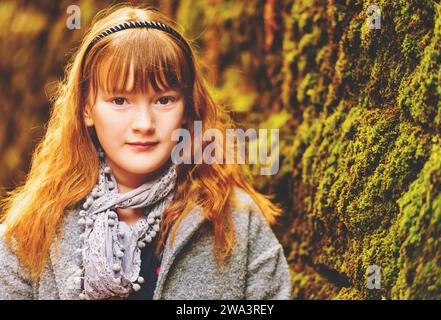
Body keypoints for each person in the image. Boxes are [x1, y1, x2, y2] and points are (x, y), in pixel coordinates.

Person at [0, 4, 291, 300]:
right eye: (120, 100)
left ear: (188, 108)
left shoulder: (236, 222)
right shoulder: (30, 230)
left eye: (164, 100)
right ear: (86, 108)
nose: (144, 124)